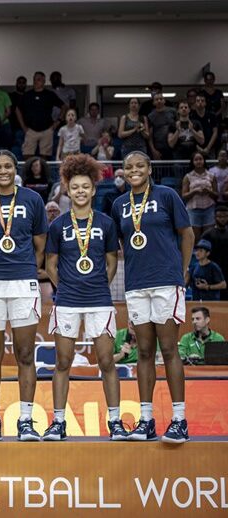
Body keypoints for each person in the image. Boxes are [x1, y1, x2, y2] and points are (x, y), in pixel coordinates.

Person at [44, 154, 128, 441]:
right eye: (75, 187)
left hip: (99, 301)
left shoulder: (105, 223)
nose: (80, 191)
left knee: (106, 361)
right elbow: (50, 265)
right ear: (67, 189)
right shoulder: (57, 226)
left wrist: (99, 285)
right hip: (66, 302)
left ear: (94, 189)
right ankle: (58, 422)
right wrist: (65, 287)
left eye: (85, 187)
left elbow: (113, 260)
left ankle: (115, 422)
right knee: (63, 363)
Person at [111, 151, 193, 443]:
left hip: (166, 282)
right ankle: (146, 421)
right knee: (143, 351)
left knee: (169, 349)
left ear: (149, 169)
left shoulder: (167, 195)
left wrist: (181, 270)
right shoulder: (119, 204)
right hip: (136, 284)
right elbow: (124, 242)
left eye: (140, 166)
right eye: (129, 167)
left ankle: (180, 420)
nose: (134, 171)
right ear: (123, 171)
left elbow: (187, 234)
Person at [0, 150, 48, 441]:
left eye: (8, 166)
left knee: (25, 354)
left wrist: (28, 267)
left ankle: (25, 420)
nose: (3, 171)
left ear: (16, 170)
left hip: (23, 284)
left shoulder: (32, 200)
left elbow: (40, 243)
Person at [17, 72, 65, 159]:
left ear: (43, 81)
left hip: (47, 129)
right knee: (27, 156)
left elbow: (64, 107)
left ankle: (44, 172)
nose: (36, 81)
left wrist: (58, 121)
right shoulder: (27, 95)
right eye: (34, 79)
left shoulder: (49, 94)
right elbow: (17, 109)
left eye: (38, 79)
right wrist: (23, 126)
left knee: (45, 157)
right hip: (30, 129)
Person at [182, 151, 218, 238]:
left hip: (209, 208)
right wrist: (194, 191)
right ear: (193, 162)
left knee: (208, 236)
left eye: (200, 159)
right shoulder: (188, 176)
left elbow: (217, 194)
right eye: (196, 160)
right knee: (195, 237)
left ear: (204, 161)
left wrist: (208, 191)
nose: (198, 161)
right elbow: (184, 195)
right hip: (193, 209)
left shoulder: (211, 175)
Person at [147, 94, 175, 160]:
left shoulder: (173, 111)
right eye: (156, 100)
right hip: (158, 148)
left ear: (164, 101)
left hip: (174, 146)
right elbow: (149, 136)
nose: (159, 101)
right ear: (153, 103)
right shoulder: (150, 116)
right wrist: (153, 150)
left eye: (161, 99)